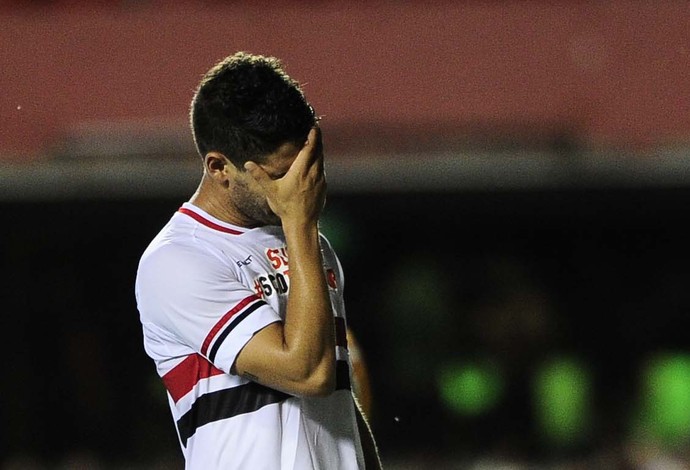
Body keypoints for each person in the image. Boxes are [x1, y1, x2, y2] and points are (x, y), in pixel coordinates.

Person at [135, 52, 381, 469]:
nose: (301, 186)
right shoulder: (177, 260)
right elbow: (307, 374)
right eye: (280, 174)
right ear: (219, 167)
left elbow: (339, 404)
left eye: (306, 167)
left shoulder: (310, 246)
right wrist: (300, 225)